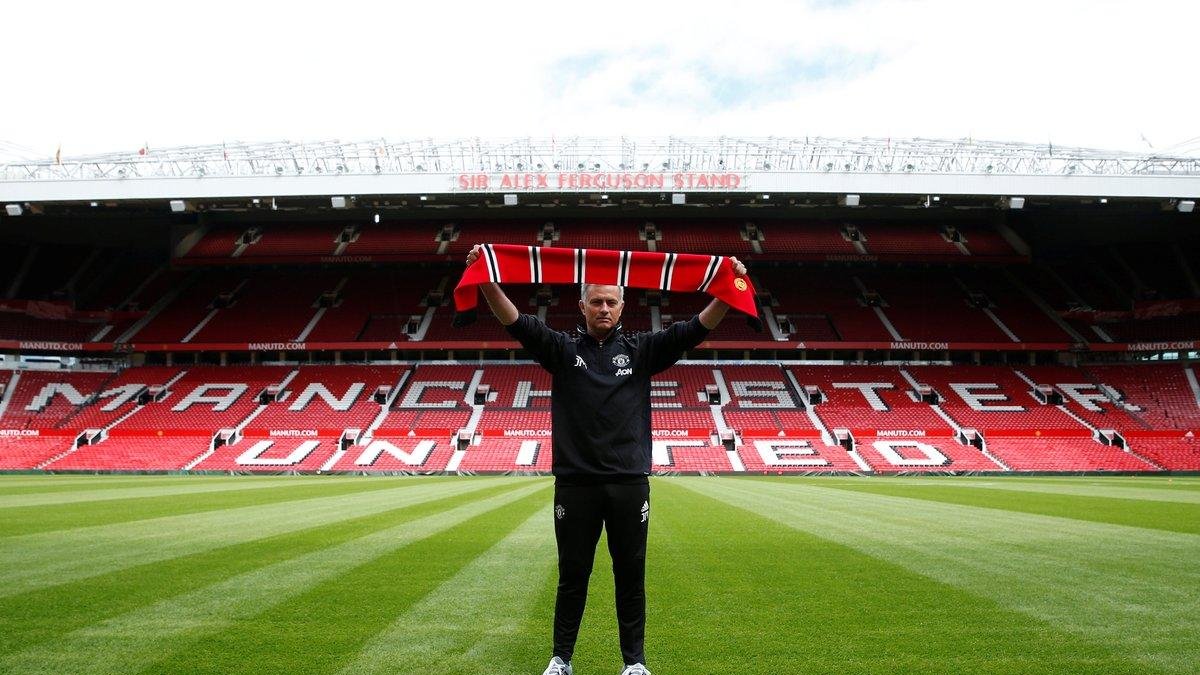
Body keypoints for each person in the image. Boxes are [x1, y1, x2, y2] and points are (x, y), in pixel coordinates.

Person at [465, 245, 747, 675]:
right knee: (572, 576)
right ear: (581, 305)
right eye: (595, 301)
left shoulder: (641, 351)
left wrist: (728, 292)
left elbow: (693, 329)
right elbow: (516, 322)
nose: (603, 308)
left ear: (622, 306)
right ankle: (561, 659)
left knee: (630, 576)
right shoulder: (560, 350)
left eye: (610, 301)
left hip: (628, 484)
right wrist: (484, 278)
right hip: (575, 485)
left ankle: (634, 663)